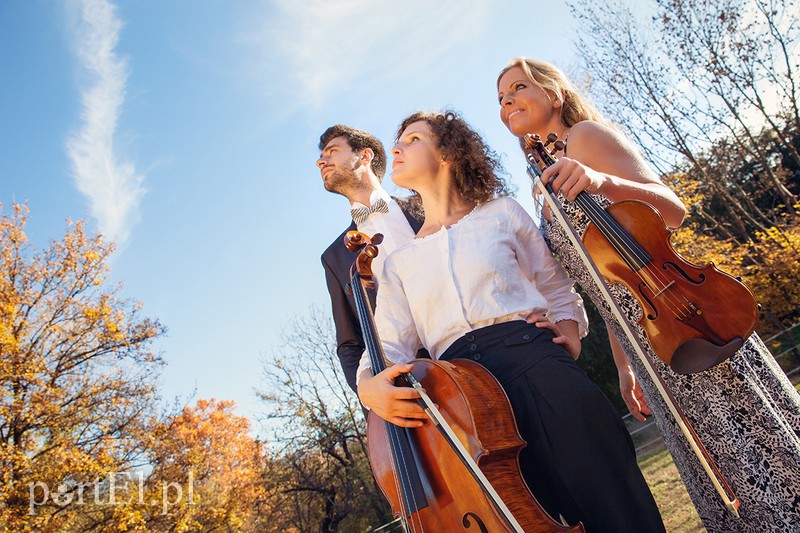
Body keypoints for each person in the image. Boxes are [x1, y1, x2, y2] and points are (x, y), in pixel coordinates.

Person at [497, 56, 800, 531]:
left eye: (517, 87)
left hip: (687, 317)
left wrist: (600, 181)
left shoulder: (584, 137)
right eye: (500, 98)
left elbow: (674, 209)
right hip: (644, 341)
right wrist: (623, 364)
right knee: (714, 467)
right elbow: (610, 282)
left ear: (554, 94)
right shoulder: (543, 184)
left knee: (752, 449)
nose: (507, 100)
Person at [356, 110, 666, 532]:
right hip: (461, 401)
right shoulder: (398, 262)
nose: (396, 148)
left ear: (447, 153)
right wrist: (369, 387)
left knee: (613, 500)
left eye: (412, 139)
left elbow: (557, 288)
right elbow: (389, 345)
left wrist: (570, 336)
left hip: (538, 366)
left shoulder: (502, 212)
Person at [317, 125, 424, 394]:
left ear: (365, 156)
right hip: (406, 381)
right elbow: (349, 343)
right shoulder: (334, 257)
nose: (321, 161)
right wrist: (373, 399)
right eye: (321, 156)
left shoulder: (426, 204)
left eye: (332, 151)